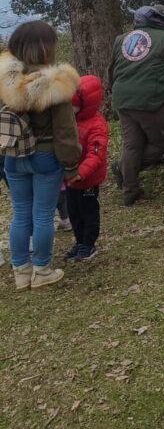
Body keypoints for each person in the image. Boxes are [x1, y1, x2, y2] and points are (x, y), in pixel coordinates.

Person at [0, 21, 81, 290]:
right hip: (45, 156)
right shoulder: (55, 82)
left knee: (20, 213)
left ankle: (21, 271)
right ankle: (42, 270)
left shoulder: (6, 79)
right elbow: (65, 131)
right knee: (43, 215)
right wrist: (71, 165)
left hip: (13, 155)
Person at [110, 4, 164, 205]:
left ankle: (130, 189)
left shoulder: (121, 39)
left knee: (132, 145)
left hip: (123, 97)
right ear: (161, 21)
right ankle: (123, 169)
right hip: (152, 99)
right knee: (163, 143)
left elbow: (113, 68)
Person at [64, 76, 108, 261]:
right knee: (73, 211)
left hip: (87, 178)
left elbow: (96, 153)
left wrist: (81, 172)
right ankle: (79, 240)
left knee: (88, 212)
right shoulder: (69, 120)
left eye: (73, 105)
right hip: (70, 179)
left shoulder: (97, 125)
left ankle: (89, 244)